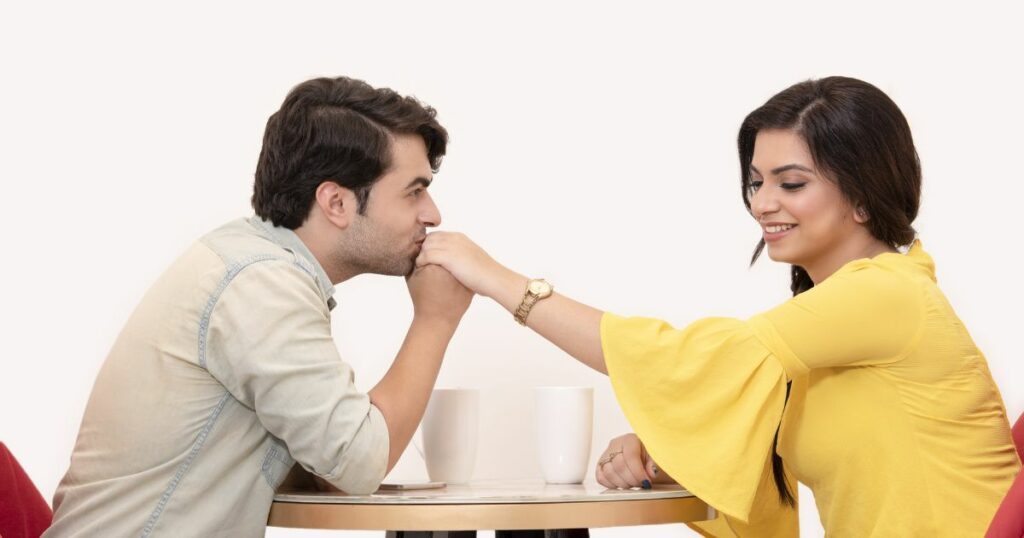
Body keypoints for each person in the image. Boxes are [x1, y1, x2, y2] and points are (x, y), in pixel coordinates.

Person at [415, 76, 1021, 536]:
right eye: (756, 182)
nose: (762, 204)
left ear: (862, 196)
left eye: (791, 183)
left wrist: (495, 279)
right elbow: (756, 457)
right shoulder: (832, 320)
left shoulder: (886, 292)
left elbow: (685, 358)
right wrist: (664, 456)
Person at [44, 76, 473, 537]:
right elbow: (358, 461)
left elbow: (335, 467)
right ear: (336, 202)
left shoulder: (253, 266)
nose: (432, 215)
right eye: (414, 191)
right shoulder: (262, 285)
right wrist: (435, 319)